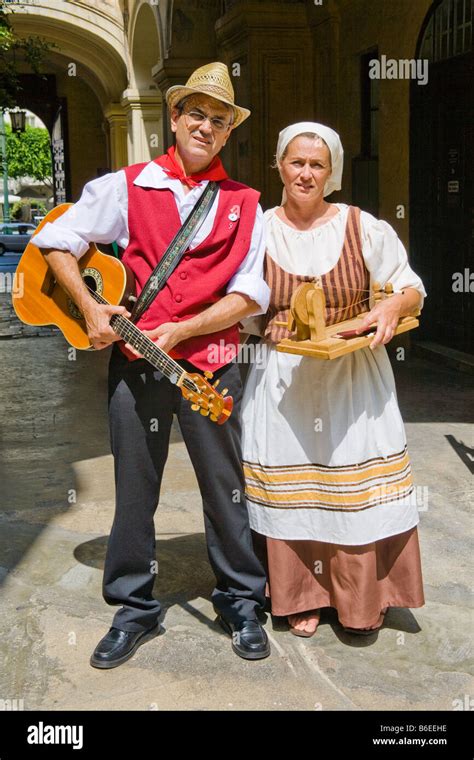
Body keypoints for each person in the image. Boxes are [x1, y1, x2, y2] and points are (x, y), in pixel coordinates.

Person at [33, 62, 271, 665]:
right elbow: (55, 241)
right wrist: (88, 307)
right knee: (135, 489)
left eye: (219, 121)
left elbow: (251, 295)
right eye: (197, 114)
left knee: (226, 489)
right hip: (138, 366)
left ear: (226, 133)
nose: (206, 126)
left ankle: (241, 601)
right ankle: (135, 607)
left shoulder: (246, 203)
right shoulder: (127, 184)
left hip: (211, 364)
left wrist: (186, 328)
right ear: (175, 117)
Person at [241, 122, 426, 637]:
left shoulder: (362, 226)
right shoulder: (257, 229)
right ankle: (301, 595)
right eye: (296, 162)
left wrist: (391, 305)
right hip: (282, 380)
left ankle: (361, 598)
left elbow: (411, 288)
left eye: (317, 164)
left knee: (351, 487)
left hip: (353, 379)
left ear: (332, 172)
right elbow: (239, 306)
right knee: (295, 488)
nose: (305, 173)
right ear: (279, 164)